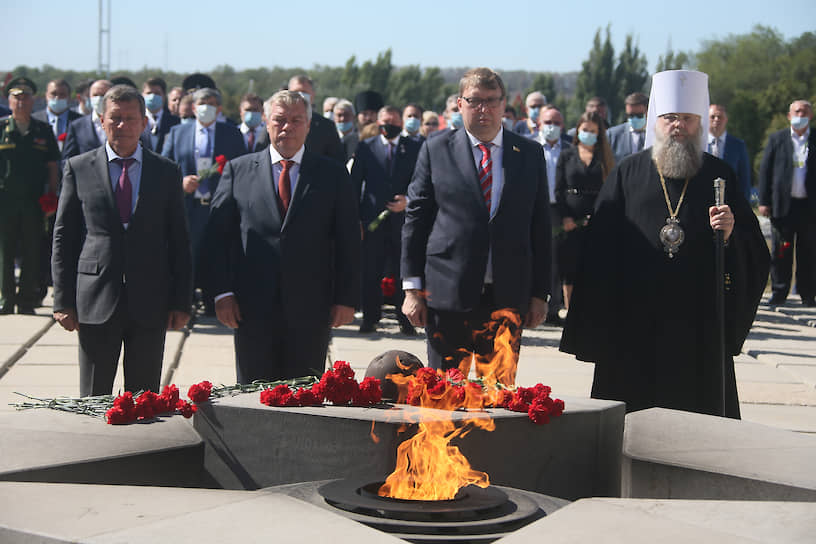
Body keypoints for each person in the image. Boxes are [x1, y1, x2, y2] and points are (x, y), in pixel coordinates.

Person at [560, 70, 770, 418]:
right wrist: (599, 323)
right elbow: (599, 250)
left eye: (686, 119)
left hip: (698, 322)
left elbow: (754, 253)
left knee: (698, 421)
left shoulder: (719, 174)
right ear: (656, 120)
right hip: (633, 321)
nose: (678, 126)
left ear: (699, 122)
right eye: (670, 118)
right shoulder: (627, 173)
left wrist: (731, 235)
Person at [401, 68, 551, 373]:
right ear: (459, 104)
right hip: (446, 295)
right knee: (444, 399)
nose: (484, 109)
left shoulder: (529, 153)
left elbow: (541, 227)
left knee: (496, 402)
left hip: (507, 297)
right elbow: (415, 221)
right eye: (475, 101)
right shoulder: (435, 149)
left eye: (492, 101)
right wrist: (411, 289)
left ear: (504, 105)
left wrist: (539, 294)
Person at [207, 91, 360, 383]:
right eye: (279, 120)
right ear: (266, 122)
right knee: (252, 397)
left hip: (311, 308)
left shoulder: (332, 175)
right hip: (250, 308)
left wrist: (346, 298)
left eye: (296, 120)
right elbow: (217, 238)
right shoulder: (238, 171)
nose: (287, 127)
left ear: (308, 124)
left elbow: (348, 240)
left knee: (304, 399)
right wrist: (222, 293)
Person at [52, 84, 192, 396]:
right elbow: (64, 237)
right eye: (115, 118)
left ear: (144, 123)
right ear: (101, 120)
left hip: (150, 300)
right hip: (95, 299)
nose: (122, 126)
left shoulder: (166, 171)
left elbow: (179, 240)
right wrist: (62, 300)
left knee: (144, 400)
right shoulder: (78, 167)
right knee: (93, 397)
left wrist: (181, 301)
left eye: (130, 119)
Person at [161, 87, 245, 314]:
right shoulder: (178, 133)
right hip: (188, 206)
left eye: (210, 103)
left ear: (218, 109)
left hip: (219, 205)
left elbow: (243, 169)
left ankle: (213, 301)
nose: (205, 107)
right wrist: (180, 183)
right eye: (201, 103)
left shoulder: (232, 134)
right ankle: (183, 301)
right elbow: (163, 168)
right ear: (193, 107)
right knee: (185, 254)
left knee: (217, 254)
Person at [351, 105, 421, 335]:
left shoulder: (414, 147)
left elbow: (422, 183)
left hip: (403, 221)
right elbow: (354, 185)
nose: (388, 125)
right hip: (373, 220)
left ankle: (405, 319)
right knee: (371, 271)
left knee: (404, 270)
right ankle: (370, 318)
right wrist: (356, 220)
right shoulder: (365, 147)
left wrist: (408, 201)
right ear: (378, 123)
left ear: (400, 123)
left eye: (393, 121)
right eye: (384, 121)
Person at [0, 78, 59, 315]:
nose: (21, 102)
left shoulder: (42, 130)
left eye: (25, 97)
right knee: (5, 251)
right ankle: (6, 299)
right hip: (5, 201)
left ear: (33, 100)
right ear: (9, 100)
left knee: (32, 250)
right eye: (16, 97)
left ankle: (26, 300)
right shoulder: (2, 129)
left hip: (35, 202)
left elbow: (53, 165)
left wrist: (52, 196)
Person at [555, 111, 614, 315]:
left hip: (596, 221)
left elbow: (610, 191)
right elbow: (559, 189)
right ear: (578, 130)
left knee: (593, 269)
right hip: (571, 222)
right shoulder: (566, 155)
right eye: (585, 130)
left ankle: (592, 313)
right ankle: (570, 313)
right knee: (569, 269)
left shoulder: (604, 158)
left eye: (593, 131)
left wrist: (599, 216)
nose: (588, 134)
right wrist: (566, 217)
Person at [759, 99, 816, 307]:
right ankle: (779, 292)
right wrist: (764, 201)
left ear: (810, 115)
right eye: (796, 111)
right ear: (789, 116)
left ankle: (808, 295)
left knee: (808, 253)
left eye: (804, 111)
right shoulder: (777, 139)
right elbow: (765, 171)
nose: (800, 115)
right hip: (783, 207)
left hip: (809, 208)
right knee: (781, 251)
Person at [535, 105, 572, 323]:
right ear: (539, 123)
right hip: (532, 208)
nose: (552, 127)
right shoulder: (527, 146)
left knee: (556, 260)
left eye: (556, 123)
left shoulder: (568, 149)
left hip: (558, 209)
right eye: (548, 122)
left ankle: (553, 308)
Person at [708, 104, 752, 203]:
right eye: (712, 117)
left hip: (730, 203)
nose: (716, 119)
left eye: (720, 117)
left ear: (726, 119)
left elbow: (744, 179)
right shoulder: (698, 144)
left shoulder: (738, 145)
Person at [63, 79, 114, 159]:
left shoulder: (124, 123)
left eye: (103, 95)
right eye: (95, 95)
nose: (99, 99)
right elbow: (68, 159)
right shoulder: (77, 126)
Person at [32, 79, 82, 154]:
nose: (57, 98)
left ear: (69, 97)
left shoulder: (80, 121)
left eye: (62, 94)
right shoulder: (34, 120)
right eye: (53, 94)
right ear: (46, 95)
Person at [607, 92, 648, 165]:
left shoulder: (657, 134)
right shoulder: (612, 135)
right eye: (631, 116)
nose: (635, 118)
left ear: (647, 113)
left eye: (639, 115)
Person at [142, 77, 180, 153]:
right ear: (142, 95)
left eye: (157, 93)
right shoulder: (134, 120)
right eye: (149, 93)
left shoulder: (176, 122)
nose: (152, 97)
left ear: (164, 96)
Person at [333, 99, 359, 163]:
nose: (343, 119)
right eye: (339, 115)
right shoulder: (330, 139)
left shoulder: (361, 139)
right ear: (334, 118)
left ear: (354, 117)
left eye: (346, 115)